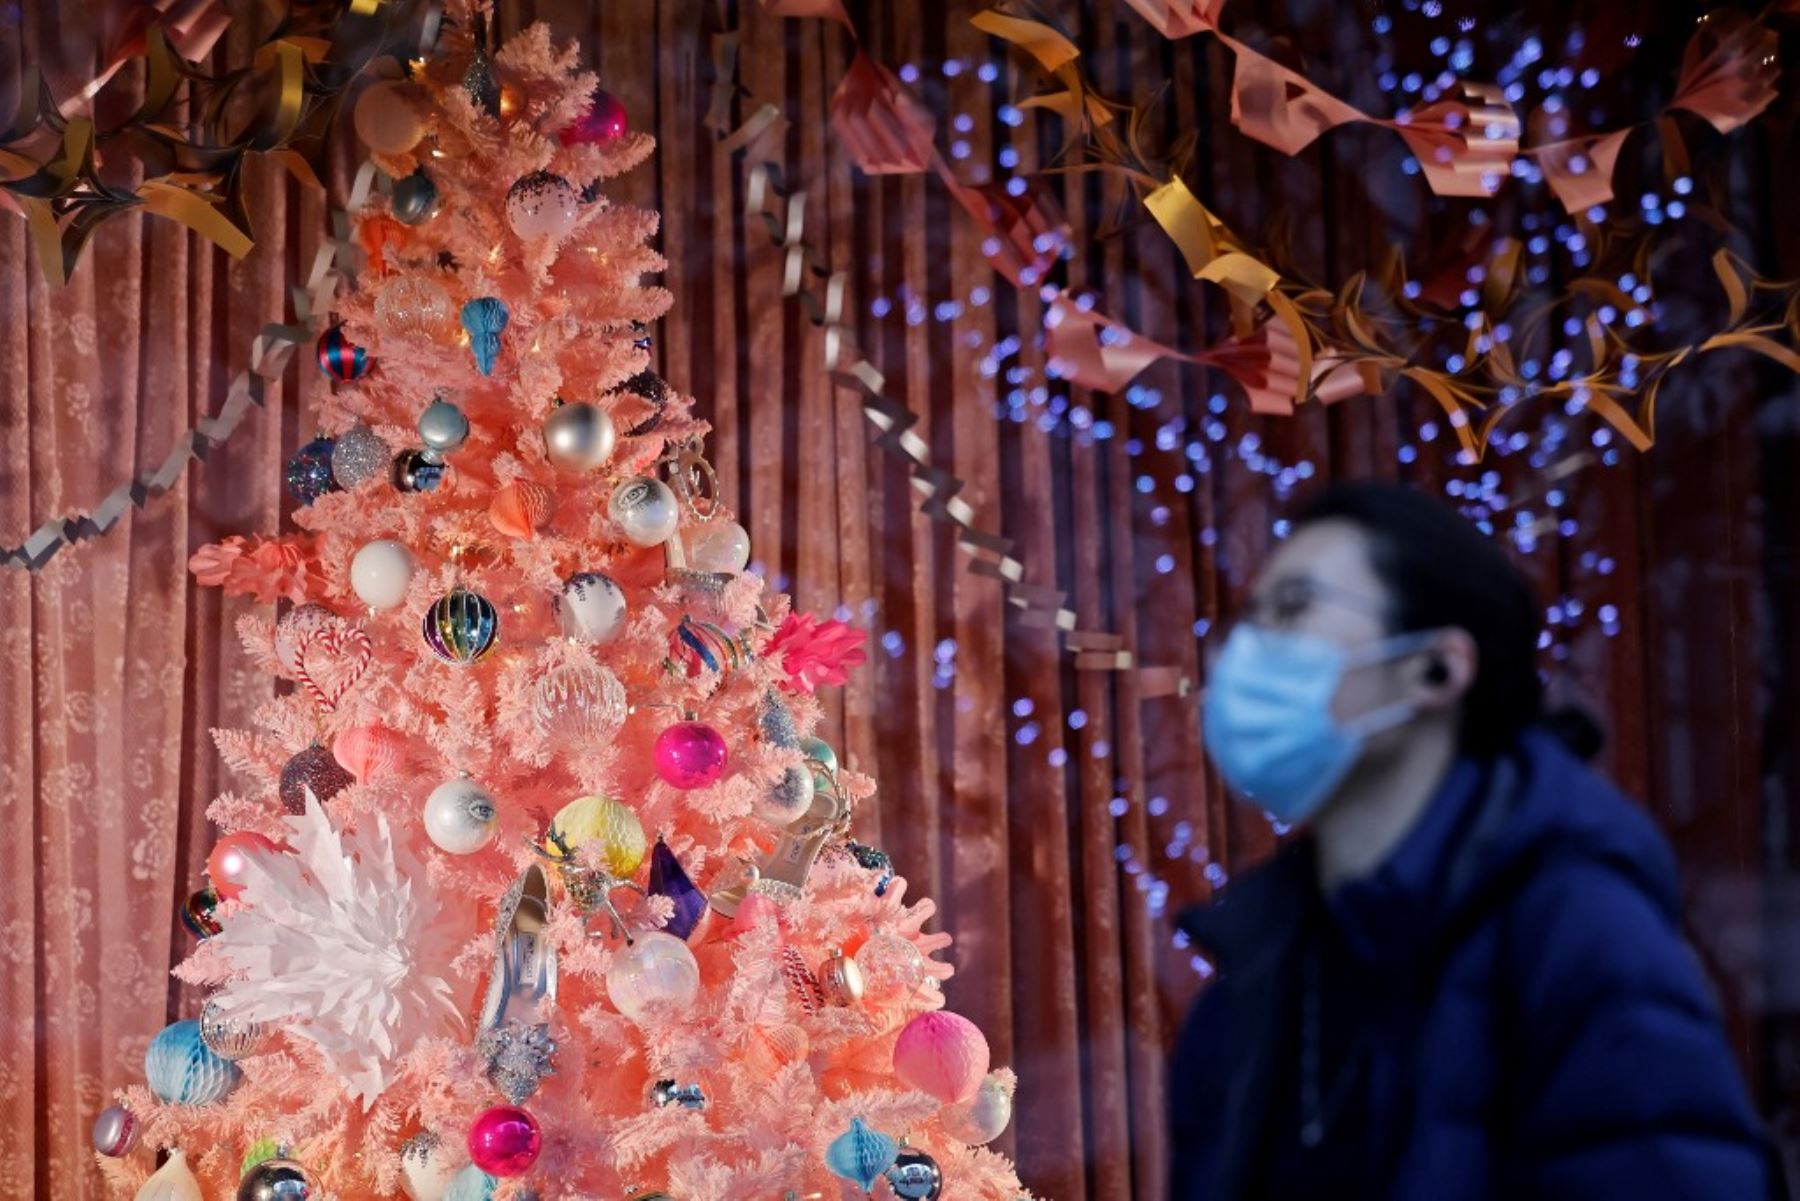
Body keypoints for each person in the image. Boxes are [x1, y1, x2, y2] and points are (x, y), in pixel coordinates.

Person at [1169, 482, 1780, 1200]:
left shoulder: (1576, 929)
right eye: (1250, 618)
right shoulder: (1254, 976)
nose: (1247, 651)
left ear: (1436, 666)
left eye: (1294, 608)